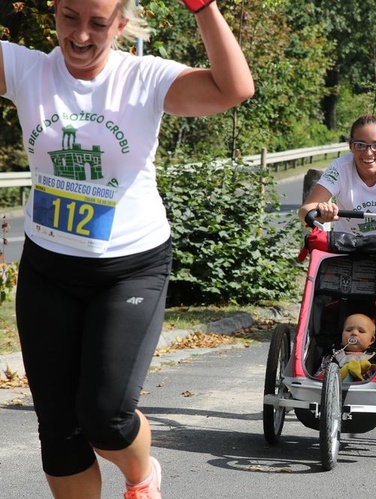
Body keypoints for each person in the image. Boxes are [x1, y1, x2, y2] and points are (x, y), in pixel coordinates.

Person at [1, 1, 254, 498]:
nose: (80, 36)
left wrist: (203, 8)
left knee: (105, 416)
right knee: (58, 431)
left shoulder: (144, 78)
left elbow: (234, 89)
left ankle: (141, 478)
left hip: (129, 269)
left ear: (121, 24)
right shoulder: (27, 69)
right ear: (55, 11)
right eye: (69, 17)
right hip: (48, 268)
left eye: (98, 23)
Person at [315, 313, 376, 382]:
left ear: (371, 340)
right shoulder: (332, 356)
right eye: (348, 330)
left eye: (361, 331)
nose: (354, 333)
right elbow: (318, 377)